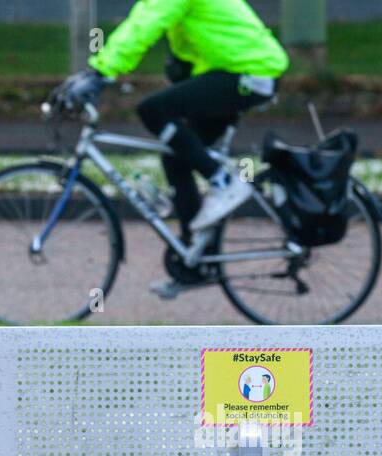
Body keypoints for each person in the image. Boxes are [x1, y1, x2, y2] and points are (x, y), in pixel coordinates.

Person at [57, 0, 289, 297]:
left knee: (153, 110)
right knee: (176, 157)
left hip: (249, 73)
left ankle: (224, 181)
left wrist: (101, 72)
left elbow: (144, 25)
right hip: (237, 70)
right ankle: (194, 261)